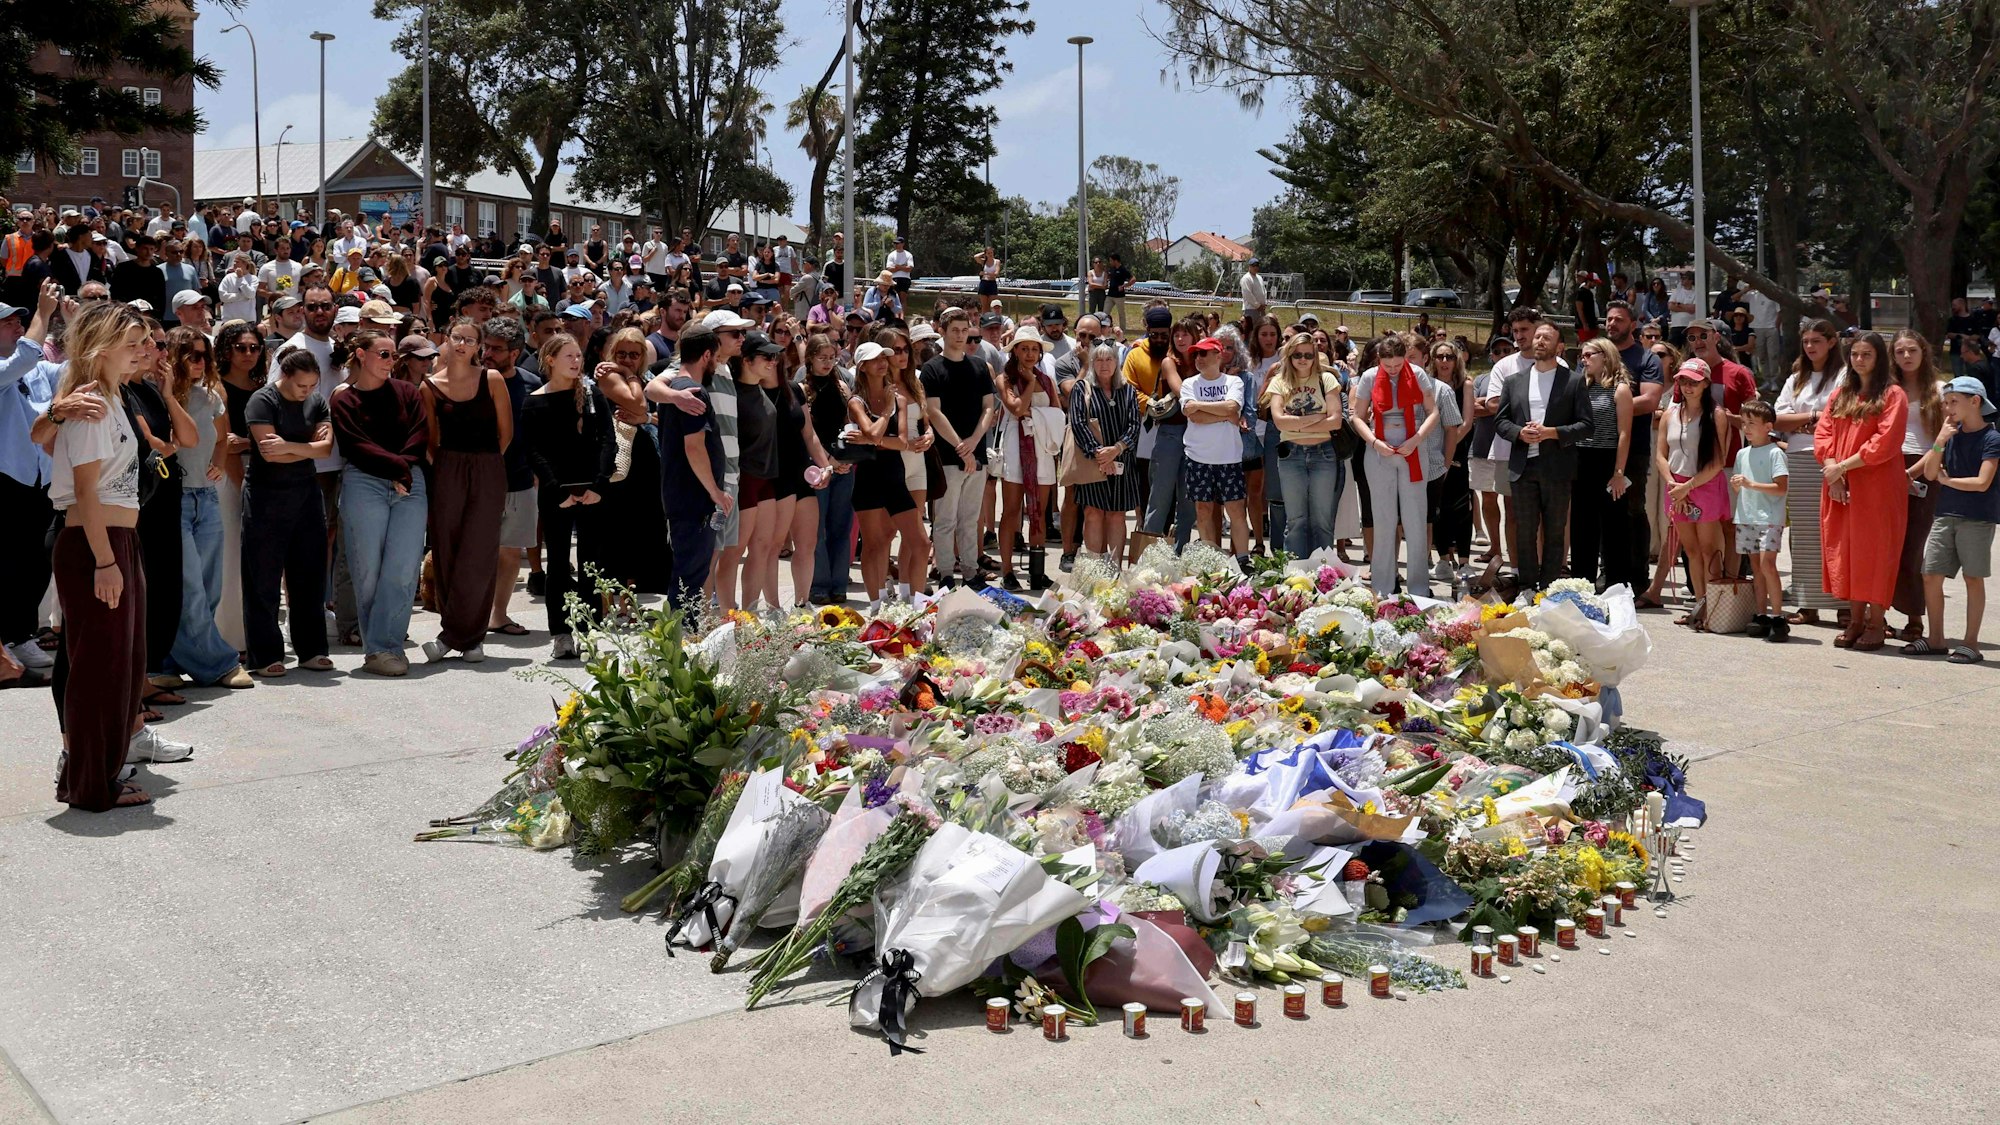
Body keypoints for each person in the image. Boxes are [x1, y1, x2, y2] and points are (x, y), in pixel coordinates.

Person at [48, 302, 166, 809]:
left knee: (119, 665)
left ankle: (94, 774)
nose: (145, 349)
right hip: (97, 544)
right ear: (103, 349)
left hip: (118, 540)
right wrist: (104, 560)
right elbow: (86, 493)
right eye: (134, 342)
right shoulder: (93, 403)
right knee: (100, 669)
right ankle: (90, 783)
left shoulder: (116, 398)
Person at [329, 329, 430, 676]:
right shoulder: (343, 398)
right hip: (366, 481)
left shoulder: (407, 392)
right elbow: (356, 445)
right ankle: (379, 648)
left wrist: (403, 472)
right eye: (383, 354)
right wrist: (398, 469)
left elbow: (419, 433)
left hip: (409, 482)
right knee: (367, 569)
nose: (391, 361)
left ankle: (385, 647)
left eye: (393, 355)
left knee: (402, 568)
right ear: (361, 355)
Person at [162, 326, 250, 689]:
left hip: (207, 496)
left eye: (205, 356)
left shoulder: (213, 392)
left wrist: (217, 461)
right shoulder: (160, 393)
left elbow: (222, 436)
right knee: (191, 588)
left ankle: (171, 660)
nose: (200, 363)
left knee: (210, 586)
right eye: (193, 356)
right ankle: (218, 663)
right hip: (176, 497)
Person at [420, 319, 512, 663]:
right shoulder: (429, 385)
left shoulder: (492, 379)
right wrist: (449, 467)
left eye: (470, 340)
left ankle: (466, 637)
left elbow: (506, 434)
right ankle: (456, 631)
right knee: (446, 548)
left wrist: (483, 468)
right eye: (457, 337)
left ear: (479, 346)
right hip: (447, 467)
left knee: (480, 550)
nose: (462, 344)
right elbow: (430, 440)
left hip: (488, 465)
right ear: (447, 338)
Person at [242, 347, 336, 676]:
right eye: (301, 386)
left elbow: (324, 449)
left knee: (309, 574)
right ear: (285, 377)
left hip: (306, 492)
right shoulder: (262, 401)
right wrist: (304, 448)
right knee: (263, 577)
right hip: (266, 496)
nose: (307, 392)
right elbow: (270, 454)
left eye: (312, 386)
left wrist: (290, 447)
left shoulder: (318, 401)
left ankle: (312, 649)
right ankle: (266, 655)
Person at [520, 333, 612, 658]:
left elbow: (606, 441)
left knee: (591, 563)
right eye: (568, 356)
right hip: (556, 493)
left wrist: (598, 486)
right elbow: (534, 450)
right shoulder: (534, 401)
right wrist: (556, 488)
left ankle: (588, 629)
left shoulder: (592, 395)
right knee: (558, 564)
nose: (576, 361)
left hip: (592, 492)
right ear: (550, 360)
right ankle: (561, 633)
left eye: (578, 356)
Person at [1816, 331, 1909, 651]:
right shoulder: (1840, 394)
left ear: (1879, 358)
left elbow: (1883, 443)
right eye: (1854, 354)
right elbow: (1823, 434)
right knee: (1847, 550)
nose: (1859, 360)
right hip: (1840, 485)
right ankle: (1855, 620)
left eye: (1866, 354)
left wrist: (1841, 468)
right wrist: (1834, 472)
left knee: (1875, 552)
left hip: (1877, 487)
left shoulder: (1892, 394)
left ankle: (1876, 622)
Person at [1495, 322, 1591, 591]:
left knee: (1554, 532)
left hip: (1557, 467)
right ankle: (1527, 587)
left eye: (1546, 338)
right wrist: (1519, 433)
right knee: (1524, 531)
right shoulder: (1514, 381)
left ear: (1559, 346)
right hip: (1523, 467)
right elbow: (1501, 422)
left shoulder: (1572, 381)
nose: (1539, 341)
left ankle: (1549, 587)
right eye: (1537, 336)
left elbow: (1586, 425)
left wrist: (1552, 432)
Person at [1908, 376, 1999, 662]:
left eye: (1954, 402)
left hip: (1977, 518)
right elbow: (1933, 474)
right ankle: (1935, 639)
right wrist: (1938, 442)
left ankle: (1971, 643)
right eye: (1945, 403)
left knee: (1973, 577)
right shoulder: (1950, 435)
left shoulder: (1992, 438)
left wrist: (1950, 482)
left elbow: (1983, 482)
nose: (1948, 408)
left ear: (1975, 402)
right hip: (1944, 515)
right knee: (1930, 575)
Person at [1350, 334, 1442, 595]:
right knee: (1383, 520)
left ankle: (1419, 588)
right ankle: (1383, 586)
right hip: (1380, 451)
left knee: (1415, 520)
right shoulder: (1369, 377)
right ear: (1380, 359)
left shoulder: (1417, 374)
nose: (1392, 370)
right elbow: (1357, 417)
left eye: (1398, 365)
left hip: (1413, 449)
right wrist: (1374, 442)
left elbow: (1432, 411)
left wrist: (1417, 439)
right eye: (1388, 366)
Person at [1772, 320, 1846, 625]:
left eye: (1817, 340)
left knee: (1835, 533)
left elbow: (1840, 414)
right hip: (1799, 458)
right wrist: (1814, 417)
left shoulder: (1844, 374)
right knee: (1803, 535)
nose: (1811, 346)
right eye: (1806, 341)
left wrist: (1802, 421)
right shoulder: (1796, 377)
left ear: (1831, 341)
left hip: (1833, 458)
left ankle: (1845, 604)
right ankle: (1807, 603)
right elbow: (1777, 417)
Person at [848, 340, 931, 598]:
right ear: (862, 367)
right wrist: (884, 414)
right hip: (868, 478)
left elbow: (902, 442)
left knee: (920, 542)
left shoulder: (900, 399)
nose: (883, 362)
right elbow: (873, 431)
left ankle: (916, 604)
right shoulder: (856, 401)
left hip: (895, 477)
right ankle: (878, 606)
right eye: (875, 359)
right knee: (874, 544)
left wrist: (874, 440)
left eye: (884, 357)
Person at [655, 326, 729, 616]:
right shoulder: (690, 391)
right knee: (689, 579)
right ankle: (680, 646)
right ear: (706, 355)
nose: (717, 365)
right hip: (693, 500)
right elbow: (694, 447)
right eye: (716, 358)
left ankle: (683, 640)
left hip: (687, 497)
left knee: (691, 575)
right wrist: (716, 493)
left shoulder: (677, 389)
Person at [920, 308, 996, 586]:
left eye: (965, 331)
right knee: (945, 519)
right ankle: (945, 573)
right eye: (955, 330)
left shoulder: (978, 367)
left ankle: (971, 571)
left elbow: (989, 407)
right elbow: (934, 411)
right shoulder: (932, 369)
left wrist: (974, 442)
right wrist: (960, 446)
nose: (961, 336)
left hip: (976, 452)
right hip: (948, 455)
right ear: (943, 331)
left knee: (970, 518)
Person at [1655, 358, 1731, 629]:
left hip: (1704, 485)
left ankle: (1714, 608)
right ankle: (1700, 606)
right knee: (1691, 550)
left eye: (1693, 382)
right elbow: (1661, 456)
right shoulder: (1670, 413)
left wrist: (1687, 487)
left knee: (1709, 549)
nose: (1688, 387)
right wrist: (1675, 486)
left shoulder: (1716, 414)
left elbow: (1717, 461)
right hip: (1676, 486)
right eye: (1683, 381)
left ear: (1705, 384)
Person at [480, 317, 542, 637]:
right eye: (486, 346)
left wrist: (537, 470)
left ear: (514, 353)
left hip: (520, 479)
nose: (487, 353)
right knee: (477, 551)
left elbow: (543, 432)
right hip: (478, 481)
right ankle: (470, 615)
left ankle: (499, 615)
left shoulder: (533, 384)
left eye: (496, 349)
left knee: (509, 552)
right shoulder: (469, 381)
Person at [1265, 331, 1347, 559]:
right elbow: (1279, 421)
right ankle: (1296, 575)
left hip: (1324, 455)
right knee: (1296, 520)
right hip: (1291, 455)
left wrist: (1297, 424)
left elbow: (1336, 421)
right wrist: (1318, 418)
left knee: (1322, 520)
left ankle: (1323, 573)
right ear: (1290, 356)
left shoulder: (1327, 379)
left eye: (1309, 355)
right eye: (1297, 355)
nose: (1303, 359)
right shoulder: (1279, 381)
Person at [1889, 329, 1947, 640]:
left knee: (1912, 547)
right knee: (1884, 545)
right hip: (1886, 467)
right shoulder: (1886, 388)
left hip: (1925, 469)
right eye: (1900, 351)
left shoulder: (1938, 389)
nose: (1907, 356)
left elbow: (1942, 440)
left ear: (1923, 352)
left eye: (1912, 350)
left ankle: (1914, 618)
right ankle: (1877, 614)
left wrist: (1912, 472)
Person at [996, 326, 1062, 590]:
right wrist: (1031, 384)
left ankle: (1037, 569)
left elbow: (1057, 413)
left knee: (1039, 507)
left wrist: (1036, 416)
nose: (1030, 354)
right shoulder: (1006, 379)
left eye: (1034, 349)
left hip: (1042, 445)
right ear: (1015, 351)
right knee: (1012, 509)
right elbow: (1017, 408)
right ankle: (1007, 569)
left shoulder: (1048, 381)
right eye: (1024, 348)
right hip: (1016, 443)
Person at [1568, 338, 1634, 591]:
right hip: (1581, 459)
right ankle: (1581, 584)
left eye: (1588, 355)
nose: (1583, 360)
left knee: (1614, 526)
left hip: (1608, 459)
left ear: (1605, 356)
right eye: (1582, 356)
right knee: (1582, 525)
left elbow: (1624, 433)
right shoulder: (1581, 387)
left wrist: (1619, 472)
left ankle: (1618, 585)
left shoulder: (1620, 389)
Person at [1067, 341, 1141, 565]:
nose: (1104, 364)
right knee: (1093, 512)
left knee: (1117, 514)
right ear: (1092, 363)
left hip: (1122, 460)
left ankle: (1115, 566)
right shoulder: (1082, 388)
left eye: (1108, 359)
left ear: (1117, 362)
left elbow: (1134, 425)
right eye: (1098, 359)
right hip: (1093, 462)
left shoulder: (1128, 390)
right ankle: (1094, 566)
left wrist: (1116, 449)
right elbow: (1078, 424)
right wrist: (1099, 454)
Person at [1180, 335, 1250, 560]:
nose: (1198, 358)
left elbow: (1232, 407)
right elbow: (1195, 417)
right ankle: (1210, 559)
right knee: (1203, 510)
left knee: (1236, 511)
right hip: (1198, 456)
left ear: (1218, 355)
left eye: (1203, 353)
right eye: (1196, 354)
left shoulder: (1234, 382)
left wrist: (1201, 407)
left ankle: (1242, 558)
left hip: (1228, 457)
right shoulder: (1189, 383)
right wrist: (1224, 414)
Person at [1728, 401, 1790, 641]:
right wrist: (1738, 486)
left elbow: (1780, 488)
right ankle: (1761, 614)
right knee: (1756, 568)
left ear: (1768, 427)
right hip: (1747, 517)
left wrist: (1751, 484)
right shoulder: (1742, 453)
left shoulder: (1775, 452)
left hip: (1769, 519)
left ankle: (1778, 617)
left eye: (1752, 423)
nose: (1746, 428)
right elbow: (1739, 486)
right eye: (1744, 423)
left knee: (1768, 566)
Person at [803, 335, 859, 603]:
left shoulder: (842, 386)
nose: (827, 363)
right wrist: (829, 461)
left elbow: (850, 423)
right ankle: (819, 585)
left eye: (831, 357)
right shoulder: (803, 388)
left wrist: (846, 458)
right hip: (817, 465)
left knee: (841, 526)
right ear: (810, 358)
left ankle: (839, 584)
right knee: (818, 528)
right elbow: (808, 432)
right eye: (821, 357)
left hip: (842, 465)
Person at [1424, 338, 1475, 581]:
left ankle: (1464, 561)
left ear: (1457, 360)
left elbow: (1465, 423)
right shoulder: (1428, 386)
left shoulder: (1465, 384)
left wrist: (1449, 448)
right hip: (1433, 453)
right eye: (1440, 356)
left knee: (1461, 507)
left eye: (1450, 357)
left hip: (1457, 452)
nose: (1445, 361)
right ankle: (1443, 558)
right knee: (1438, 508)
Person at [1666, 270, 1697, 347]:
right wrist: (1686, 307)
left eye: (1684, 278)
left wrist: (1679, 304)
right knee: (1673, 349)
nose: (1682, 279)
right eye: (1682, 278)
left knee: (1689, 349)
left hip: (1689, 325)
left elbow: (1693, 309)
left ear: (1691, 280)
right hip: (1676, 325)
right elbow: (1670, 306)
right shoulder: (1677, 291)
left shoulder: (1696, 292)